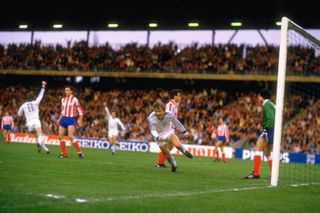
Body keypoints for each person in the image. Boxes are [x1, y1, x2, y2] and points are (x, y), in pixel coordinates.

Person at [148, 99, 193, 172]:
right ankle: (173, 165)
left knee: (177, 144)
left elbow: (176, 123)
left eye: (159, 111)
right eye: (156, 111)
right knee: (166, 154)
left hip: (168, 131)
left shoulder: (169, 115)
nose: (158, 113)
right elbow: (153, 130)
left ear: (164, 110)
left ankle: (184, 151)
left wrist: (184, 131)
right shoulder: (151, 118)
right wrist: (158, 137)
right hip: (159, 135)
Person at [245, 88, 275, 179]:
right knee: (267, 153)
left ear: (262, 96)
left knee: (257, 149)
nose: (258, 97)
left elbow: (271, 118)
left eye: (259, 95)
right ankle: (274, 174)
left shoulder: (266, 104)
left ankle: (256, 173)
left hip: (268, 130)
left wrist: (266, 130)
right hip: (273, 130)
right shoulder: (272, 104)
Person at [17, 81, 50, 153]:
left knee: (36, 136)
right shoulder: (35, 102)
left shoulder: (23, 105)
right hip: (36, 121)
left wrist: (24, 115)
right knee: (40, 135)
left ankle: (46, 149)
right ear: (32, 98)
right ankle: (39, 142)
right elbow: (40, 95)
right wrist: (43, 86)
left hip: (29, 123)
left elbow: (19, 114)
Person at [155, 89, 182, 168]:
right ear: (175, 96)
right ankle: (160, 163)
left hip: (170, 127)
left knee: (169, 146)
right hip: (168, 128)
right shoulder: (170, 104)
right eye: (179, 96)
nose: (180, 97)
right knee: (170, 145)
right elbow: (168, 116)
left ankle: (160, 163)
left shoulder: (174, 105)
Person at [56, 85, 84, 158]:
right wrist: (59, 119)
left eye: (67, 90)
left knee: (70, 136)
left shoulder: (75, 99)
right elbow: (62, 111)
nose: (66, 91)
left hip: (71, 119)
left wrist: (80, 119)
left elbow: (80, 110)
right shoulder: (63, 99)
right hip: (63, 118)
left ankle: (80, 152)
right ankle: (64, 153)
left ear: (71, 91)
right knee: (60, 136)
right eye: (65, 90)